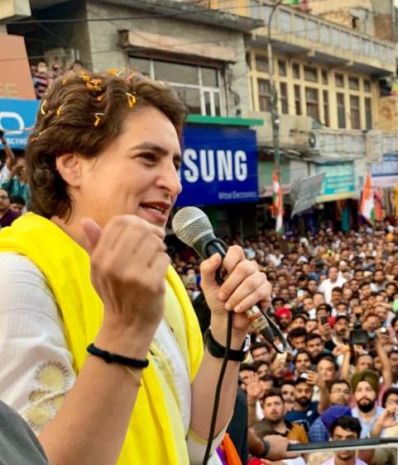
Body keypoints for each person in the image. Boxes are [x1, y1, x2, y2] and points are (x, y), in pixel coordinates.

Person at [0, 70, 274, 465]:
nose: (174, 183)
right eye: (148, 158)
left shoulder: (158, 278)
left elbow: (197, 443)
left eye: (176, 163)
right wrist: (124, 333)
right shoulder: (17, 280)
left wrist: (226, 330)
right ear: (71, 164)